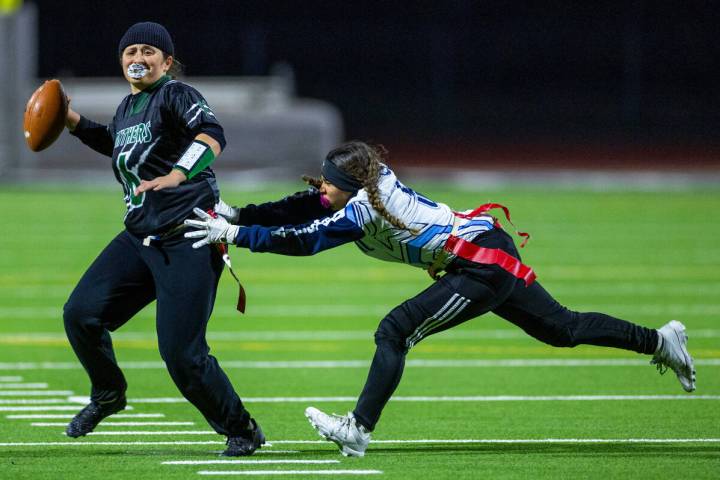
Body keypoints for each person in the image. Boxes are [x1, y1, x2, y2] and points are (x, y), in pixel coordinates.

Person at [184, 140, 696, 458]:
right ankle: (660, 341)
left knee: (394, 330)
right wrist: (241, 216)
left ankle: (357, 430)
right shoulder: (363, 186)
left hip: (478, 264)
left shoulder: (363, 208)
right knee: (560, 328)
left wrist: (236, 235)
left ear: (350, 185)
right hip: (483, 246)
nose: (323, 188)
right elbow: (306, 204)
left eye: (329, 183)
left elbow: (305, 237)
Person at [61, 21, 264, 457]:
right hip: (140, 238)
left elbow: (212, 136)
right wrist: (72, 121)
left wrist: (176, 173)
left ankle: (242, 429)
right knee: (80, 314)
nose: (138, 58)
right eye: (130, 51)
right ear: (121, 61)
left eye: (148, 51)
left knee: (182, 356)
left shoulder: (177, 94)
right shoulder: (127, 107)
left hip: (187, 235)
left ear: (166, 61)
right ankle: (109, 393)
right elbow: (117, 143)